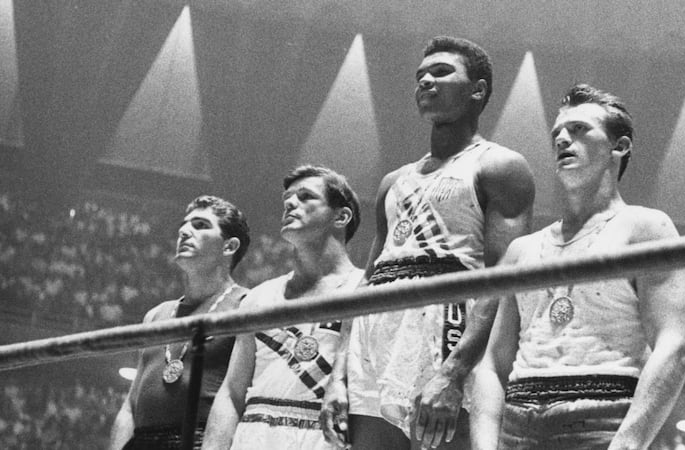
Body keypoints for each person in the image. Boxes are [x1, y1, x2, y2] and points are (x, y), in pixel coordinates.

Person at [321, 36, 536, 450]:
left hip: (447, 330)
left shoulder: (500, 166)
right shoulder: (392, 182)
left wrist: (454, 372)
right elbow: (366, 282)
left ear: (478, 90)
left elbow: (504, 279)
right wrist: (338, 376)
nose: (426, 82)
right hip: (375, 336)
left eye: (441, 73)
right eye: (421, 76)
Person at [471, 84, 685, 449]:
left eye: (578, 129)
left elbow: (675, 344)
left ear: (618, 147)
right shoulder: (521, 250)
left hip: (602, 421)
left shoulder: (644, 228)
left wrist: (627, 444)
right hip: (517, 424)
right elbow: (493, 365)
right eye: (557, 132)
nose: (561, 139)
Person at [201, 166, 363, 450]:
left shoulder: (367, 290)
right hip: (253, 435)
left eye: (305, 196)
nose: (290, 203)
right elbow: (231, 393)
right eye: (287, 197)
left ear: (341, 216)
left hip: (326, 438)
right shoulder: (259, 297)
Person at [109, 195, 251, 449]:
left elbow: (239, 399)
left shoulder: (247, 305)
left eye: (200, 225)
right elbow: (130, 406)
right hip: (141, 441)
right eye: (184, 225)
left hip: (199, 440)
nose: (185, 231)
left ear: (229, 247)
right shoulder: (156, 315)